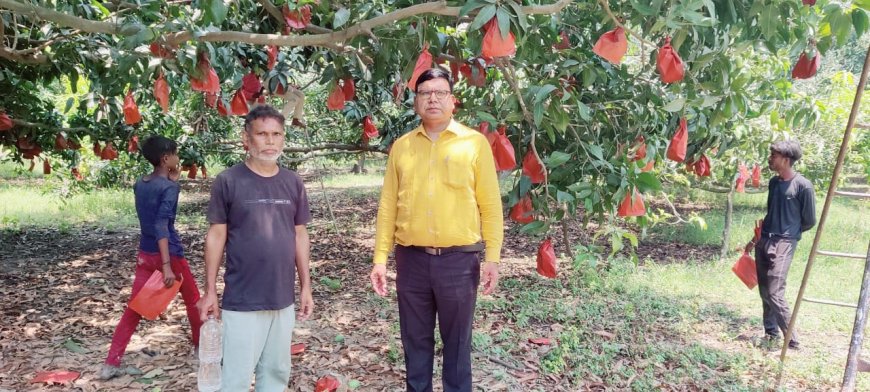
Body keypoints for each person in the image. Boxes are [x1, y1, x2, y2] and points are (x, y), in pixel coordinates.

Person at [369, 68, 503, 392]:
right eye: (425, 92)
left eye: (440, 92)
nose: (432, 98)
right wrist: (380, 259)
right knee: (415, 346)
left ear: (452, 101)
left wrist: (493, 258)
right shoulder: (401, 147)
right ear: (416, 101)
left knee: (458, 350)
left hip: (459, 263)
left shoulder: (474, 144)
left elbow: (490, 204)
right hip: (411, 261)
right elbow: (388, 205)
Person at [197, 105, 314, 391]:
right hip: (242, 299)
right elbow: (216, 235)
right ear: (246, 139)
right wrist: (209, 290)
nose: (270, 141)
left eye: (276, 134)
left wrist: (306, 286)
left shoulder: (292, 182)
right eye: (262, 134)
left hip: (282, 298)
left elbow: (300, 234)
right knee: (236, 377)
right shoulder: (229, 181)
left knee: (275, 374)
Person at [99, 135, 203, 379]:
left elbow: (151, 214)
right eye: (175, 154)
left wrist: (172, 180)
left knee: (134, 309)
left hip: (145, 253)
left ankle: (110, 364)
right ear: (166, 158)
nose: (178, 158)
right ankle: (200, 348)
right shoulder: (169, 187)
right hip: (169, 254)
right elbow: (161, 224)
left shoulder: (141, 183)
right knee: (193, 300)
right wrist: (167, 266)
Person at [744, 140, 816, 350]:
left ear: (786, 160)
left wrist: (789, 234)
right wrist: (753, 240)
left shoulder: (803, 186)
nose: (770, 159)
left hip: (784, 243)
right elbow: (770, 213)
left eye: (774, 156)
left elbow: (809, 220)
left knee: (776, 292)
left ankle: (792, 341)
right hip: (765, 239)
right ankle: (771, 333)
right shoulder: (774, 183)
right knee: (765, 291)